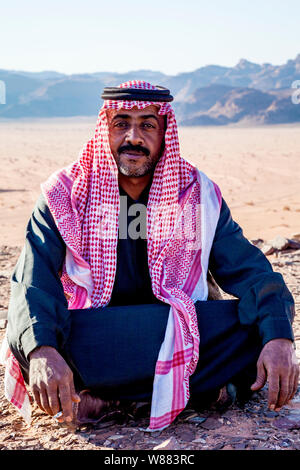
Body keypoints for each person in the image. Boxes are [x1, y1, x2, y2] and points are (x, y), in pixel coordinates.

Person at [0, 81, 298, 432]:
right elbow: (32, 282)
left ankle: (106, 398)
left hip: (176, 329)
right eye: (122, 123)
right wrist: (42, 352)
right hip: (95, 332)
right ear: (105, 129)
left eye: (147, 125)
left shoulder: (197, 195)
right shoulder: (65, 194)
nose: (133, 137)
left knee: (254, 328)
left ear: (165, 131)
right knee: (32, 339)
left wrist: (279, 337)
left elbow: (251, 272)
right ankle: (193, 392)